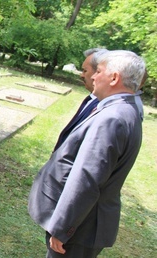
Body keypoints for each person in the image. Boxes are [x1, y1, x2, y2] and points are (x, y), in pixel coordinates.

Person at [28, 50, 146, 257]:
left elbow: (87, 179)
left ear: (114, 78)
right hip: (85, 223)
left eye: (98, 71)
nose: (92, 76)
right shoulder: (124, 109)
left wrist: (63, 228)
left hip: (81, 227)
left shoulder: (113, 118)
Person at [52, 48, 107, 151]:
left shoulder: (103, 106)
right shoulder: (92, 99)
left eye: (85, 71)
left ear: (99, 73)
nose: (81, 75)